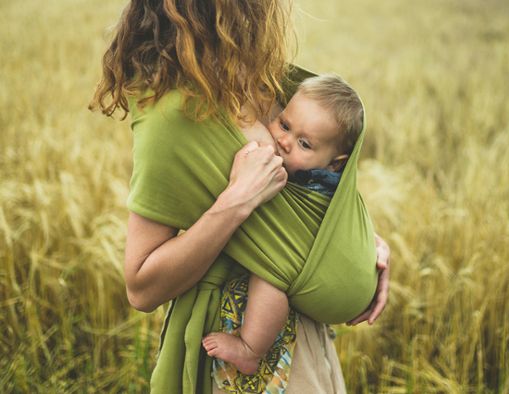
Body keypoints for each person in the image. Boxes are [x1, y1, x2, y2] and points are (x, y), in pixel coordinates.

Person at [89, 1, 390, 393]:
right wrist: (237, 201)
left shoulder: (259, 78)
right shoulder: (170, 115)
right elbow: (141, 286)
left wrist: (358, 243)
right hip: (232, 348)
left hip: (305, 342)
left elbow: (315, 184)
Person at [202, 73, 364, 376]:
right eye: (284, 124)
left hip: (299, 262)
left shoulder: (319, 185)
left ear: (335, 163)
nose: (284, 141)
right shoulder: (299, 156)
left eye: (304, 143)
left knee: (272, 276)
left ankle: (250, 349)